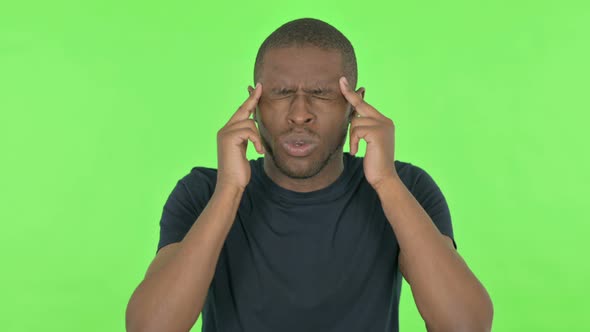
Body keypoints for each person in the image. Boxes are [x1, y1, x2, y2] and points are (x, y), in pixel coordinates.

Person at [126, 18, 493, 332]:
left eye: (320, 93)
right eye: (282, 93)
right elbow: (151, 326)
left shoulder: (406, 188)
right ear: (252, 103)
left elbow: (465, 325)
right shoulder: (203, 192)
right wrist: (229, 191)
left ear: (354, 106)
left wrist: (386, 182)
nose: (300, 113)